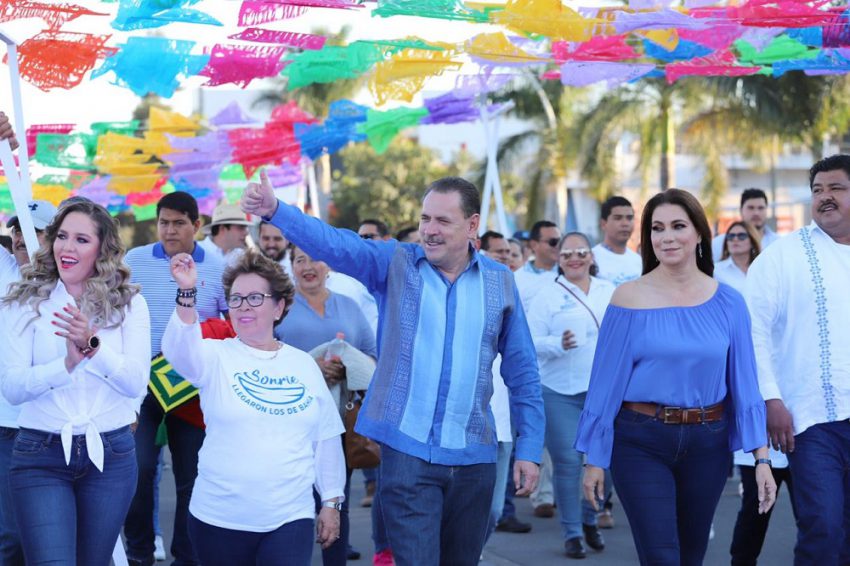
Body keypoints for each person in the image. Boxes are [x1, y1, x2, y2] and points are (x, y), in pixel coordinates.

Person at [242, 173, 544, 566]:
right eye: (425, 219)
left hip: (474, 457)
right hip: (407, 453)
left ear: (472, 226)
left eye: (443, 221)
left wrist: (529, 448)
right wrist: (276, 211)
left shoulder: (500, 281)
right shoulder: (395, 263)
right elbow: (337, 244)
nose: (430, 230)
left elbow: (523, 371)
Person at [577, 188, 776, 566]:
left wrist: (762, 459)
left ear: (699, 233)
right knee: (661, 557)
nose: (666, 237)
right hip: (640, 441)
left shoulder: (730, 302)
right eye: (657, 228)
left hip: (708, 444)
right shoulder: (627, 298)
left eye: (678, 226)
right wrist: (594, 459)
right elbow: (605, 384)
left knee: (691, 555)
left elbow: (745, 383)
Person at [161, 249, 345, 566]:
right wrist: (187, 292)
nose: (244, 306)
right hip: (218, 519)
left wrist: (331, 502)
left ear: (279, 307)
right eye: (236, 299)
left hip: (291, 516)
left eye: (255, 298)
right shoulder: (214, 355)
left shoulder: (304, 364)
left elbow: (325, 438)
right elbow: (177, 351)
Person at [0, 199, 151, 564]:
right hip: (40, 453)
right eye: (62, 236)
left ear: (102, 248)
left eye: (81, 239)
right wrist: (65, 365)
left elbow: (135, 384)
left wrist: (93, 347)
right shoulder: (23, 300)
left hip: (110, 456)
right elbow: (13, 388)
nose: (67, 247)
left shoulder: (130, 303)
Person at [745, 154, 850, 565]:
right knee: (823, 526)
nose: (825, 197)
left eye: (836, 188)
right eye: (818, 190)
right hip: (810, 420)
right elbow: (752, 330)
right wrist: (770, 398)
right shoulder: (782, 256)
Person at [124, 191, 229, 566]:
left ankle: (187, 557)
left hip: (193, 386)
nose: (169, 230)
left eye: (179, 223)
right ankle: (138, 553)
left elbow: (233, 321)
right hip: (142, 384)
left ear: (196, 226)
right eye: (163, 222)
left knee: (193, 477)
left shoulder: (217, 267)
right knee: (137, 470)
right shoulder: (134, 261)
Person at [274, 245, 378, 566]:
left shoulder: (349, 305)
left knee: (335, 498)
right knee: (294, 502)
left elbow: (371, 356)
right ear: (291, 266)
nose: (308, 266)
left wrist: (348, 367)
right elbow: (262, 354)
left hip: (339, 421)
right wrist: (311, 367)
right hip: (289, 418)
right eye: (299, 260)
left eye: (314, 259)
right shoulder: (280, 307)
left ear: (328, 265)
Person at [527, 232, 615, 559]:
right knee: (567, 462)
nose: (574, 258)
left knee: (604, 460)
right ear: (559, 259)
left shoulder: (610, 291)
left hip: (603, 391)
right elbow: (530, 341)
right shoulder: (546, 294)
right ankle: (572, 532)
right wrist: (557, 344)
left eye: (581, 252)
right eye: (567, 254)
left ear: (591, 256)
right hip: (559, 391)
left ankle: (591, 517)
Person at [713, 221, 792, 565]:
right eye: (730, 236)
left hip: (798, 413)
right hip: (751, 397)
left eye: (742, 235)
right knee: (755, 507)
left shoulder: (776, 276)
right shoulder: (719, 277)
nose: (735, 240)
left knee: (817, 515)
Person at [0, 199, 57, 566]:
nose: (21, 238)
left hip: (55, 426)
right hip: (8, 425)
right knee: (10, 533)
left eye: (34, 230)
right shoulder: (3, 267)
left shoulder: (70, 280)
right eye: (17, 230)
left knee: (48, 532)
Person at [712, 188, 780, 260]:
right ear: (741, 210)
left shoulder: (777, 242)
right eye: (751, 208)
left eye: (761, 208)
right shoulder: (719, 243)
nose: (756, 213)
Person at [592, 196, 642, 287]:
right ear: (603, 224)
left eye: (629, 218)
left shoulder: (638, 260)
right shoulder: (592, 259)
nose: (625, 224)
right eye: (618, 218)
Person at [714, 221, 761, 290]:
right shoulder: (716, 270)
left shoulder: (762, 269)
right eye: (731, 236)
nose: (735, 239)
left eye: (741, 236)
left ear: (752, 242)